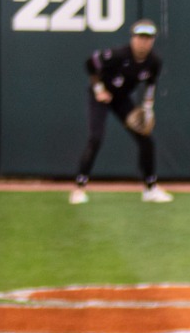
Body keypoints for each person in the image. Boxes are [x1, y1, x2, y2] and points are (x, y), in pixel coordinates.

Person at [71, 19, 171, 205]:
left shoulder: (154, 62)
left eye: (148, 38)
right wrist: (99, 88)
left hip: (121, 100)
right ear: (133, 38)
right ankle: (79, 188)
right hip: (100, 97)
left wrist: (148, 107)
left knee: (146, 140)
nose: (144, 42)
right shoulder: (117, 55)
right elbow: (90, 64)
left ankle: (150, 189)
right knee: (96, 137)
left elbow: (151, 85)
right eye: (141, 37)